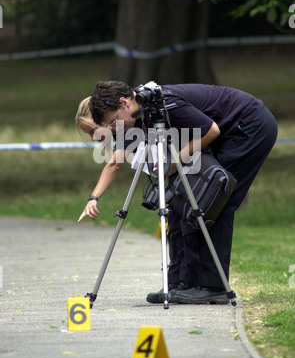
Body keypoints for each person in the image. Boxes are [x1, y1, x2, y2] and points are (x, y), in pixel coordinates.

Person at [78, 80, 278, 305]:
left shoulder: (164, 103)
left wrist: (175, 160)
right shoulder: (134, 115)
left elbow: (211, 130)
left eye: (113, 123)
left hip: (248, 125)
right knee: (177, 198)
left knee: (217, 200)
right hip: (224, 133)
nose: (114, 130)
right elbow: (115, 163)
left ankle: (214, 286)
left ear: (124, 102)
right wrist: (93, 198)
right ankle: (182, 282)